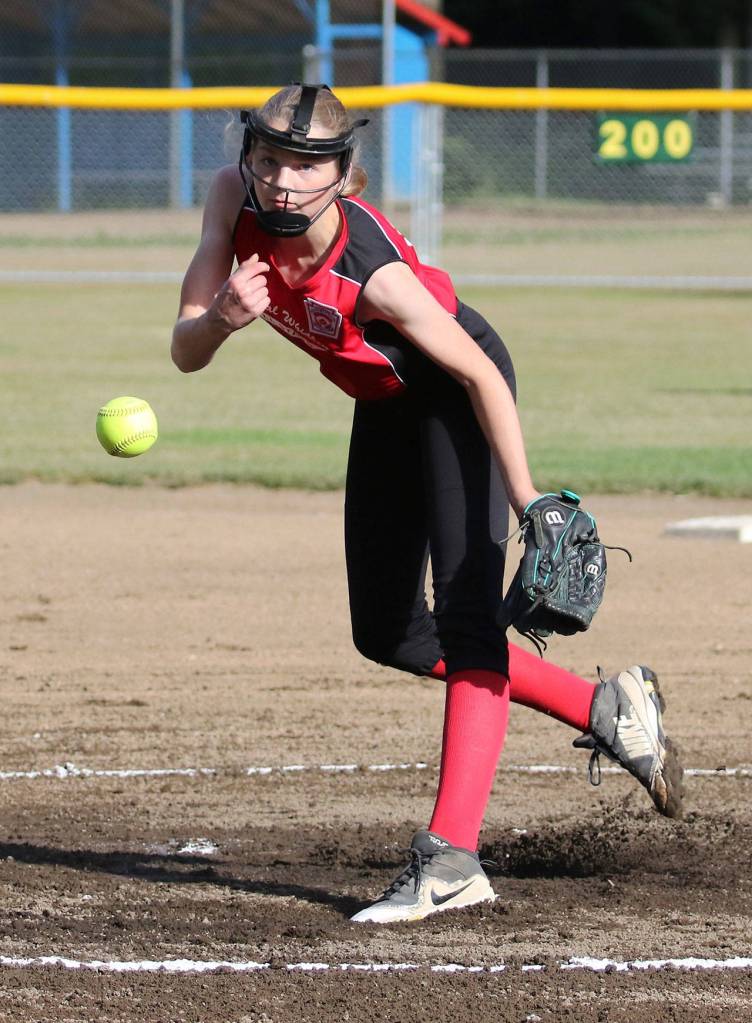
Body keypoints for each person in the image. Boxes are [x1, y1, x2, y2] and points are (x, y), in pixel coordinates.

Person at [171, 84, 683, 925]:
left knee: (470, 619)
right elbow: (185, 349)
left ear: (345, 177)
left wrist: (531, 502)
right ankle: (607, 708)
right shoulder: (232, 202)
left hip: (454, 395)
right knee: (389, 631)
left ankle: (451, 859)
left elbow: (480, 373)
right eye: (270, 159)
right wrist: (222, 319)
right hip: (385, 407)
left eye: (308, 166)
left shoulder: (376, 276)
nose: (284, 182)